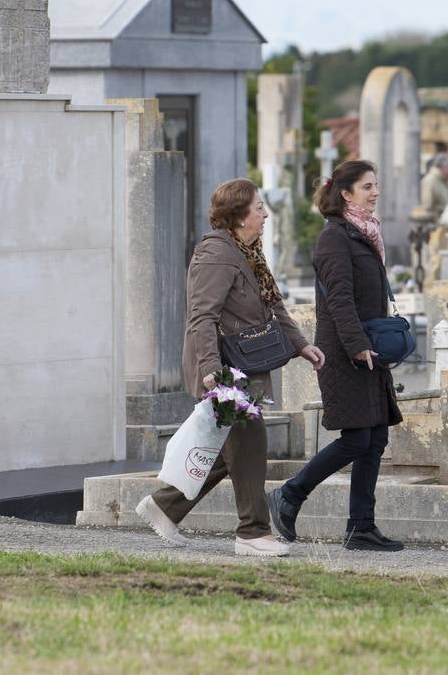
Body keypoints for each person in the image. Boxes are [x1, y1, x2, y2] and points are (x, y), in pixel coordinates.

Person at [136, 178, 325, 557]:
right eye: (258, 208)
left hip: (245, 362)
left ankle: (165, 506)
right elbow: (201, 315)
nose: (265, 214)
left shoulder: (248, 251)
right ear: (239, 215)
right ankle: (253, 532)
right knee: (250, 446)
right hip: (226, 370)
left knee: (231, 451)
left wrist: (302, 344)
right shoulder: (217, 254)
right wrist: (210, 368)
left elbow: (274, 308)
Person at [266, 160, 405, 551]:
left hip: (367, 349)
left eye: (375, 185)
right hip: (346, 351)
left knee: (375, 436)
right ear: (346, 193)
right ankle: (290, 494)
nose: (374, 192)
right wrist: (358, 345)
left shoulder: (365, 235)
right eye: (366, 187)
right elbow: (339, 300)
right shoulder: (335, 238)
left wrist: (369, 345)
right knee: (357, 437)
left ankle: (361, 527)